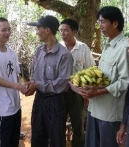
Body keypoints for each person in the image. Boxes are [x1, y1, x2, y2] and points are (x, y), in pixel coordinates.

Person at [77, 6, 129, 146]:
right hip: (95, 109)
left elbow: (124, 82)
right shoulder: (108, 45)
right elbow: (103, 76)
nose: (100, 26)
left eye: (103, 22)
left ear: (115, 23)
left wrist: (99, 91)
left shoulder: (125, 48)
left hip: (110, 115)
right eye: (99, 22)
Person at [26, 15, 73, 147]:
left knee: (56, 139)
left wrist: (37, 85)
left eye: (38, 28)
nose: (36, 32)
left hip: (55, 102)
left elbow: (62, 84)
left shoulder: (64, 55)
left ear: (47, 30)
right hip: (39, 100)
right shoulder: (39, 51)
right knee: (37, 136)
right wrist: (31, 84)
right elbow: (34, 74)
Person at [0, 17, 27, 147]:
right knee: (3, 143)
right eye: (3, 30)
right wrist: (17, 86)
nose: (7, 33)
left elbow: (15, 75)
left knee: (13, 141)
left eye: (9, 30)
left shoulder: (12, 52)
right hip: (2, 108)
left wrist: (23, 86)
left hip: (15, 105)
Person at [59, 18, 95, 146]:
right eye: (61, 30)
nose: (63, 34)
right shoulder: (58, 48)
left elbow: (90, 70)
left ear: (74, 31)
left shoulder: (83, 48)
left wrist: (86, 95)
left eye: (66, 30)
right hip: (60, 91)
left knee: (78, 124)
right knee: (58, 123)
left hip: (77, 93)